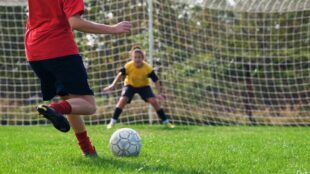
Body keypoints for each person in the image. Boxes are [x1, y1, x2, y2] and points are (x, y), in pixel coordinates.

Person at [25, 0, 131, 157]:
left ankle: (88, 150)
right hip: (59, 49)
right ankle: (55, 108)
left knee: (72, 102)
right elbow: (75, 22)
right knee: (89, 105)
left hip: (34, 51)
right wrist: (113, 29)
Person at [103, 46, 175, 129]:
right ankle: (112, 123)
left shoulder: (147, 68)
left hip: (144, 86)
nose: (137, 59)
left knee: (154, 101)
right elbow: (120, 75)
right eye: (135, 57)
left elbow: (156, 80)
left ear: (143, 58)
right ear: (132, 58)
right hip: (130, 85)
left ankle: (166, 122)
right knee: (122, 100)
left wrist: (159, 93)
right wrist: (113, 85)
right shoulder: (128, 66)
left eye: (140, 57)